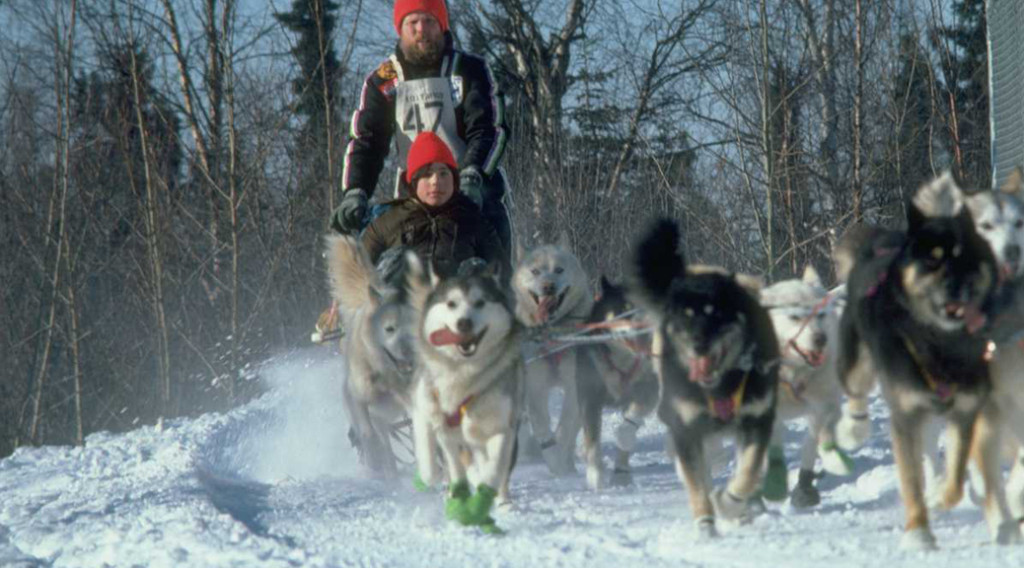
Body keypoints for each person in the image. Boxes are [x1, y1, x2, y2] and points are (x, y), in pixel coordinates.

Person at [330, 0, 512, 258]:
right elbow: (367, 141)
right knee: (387, 264)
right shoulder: (383, 80)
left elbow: (489, 128)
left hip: (474, 192)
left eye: (429, 21)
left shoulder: (469, 70)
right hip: (414, 200)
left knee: (496, 272)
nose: (421, 30)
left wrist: (472, 174)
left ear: (442, 25)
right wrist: (356, 190)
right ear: (400, 28)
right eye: (412, 22)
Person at [361, 131, 508, 281]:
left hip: (458, 302)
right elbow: (356, 277)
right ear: (413, 181)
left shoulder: (475, 223)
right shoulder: (384, 225)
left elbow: (504, 279)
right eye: (427, 174)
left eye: (443, 174)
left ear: (454, 180)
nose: (435, 181)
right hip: (400, 302)